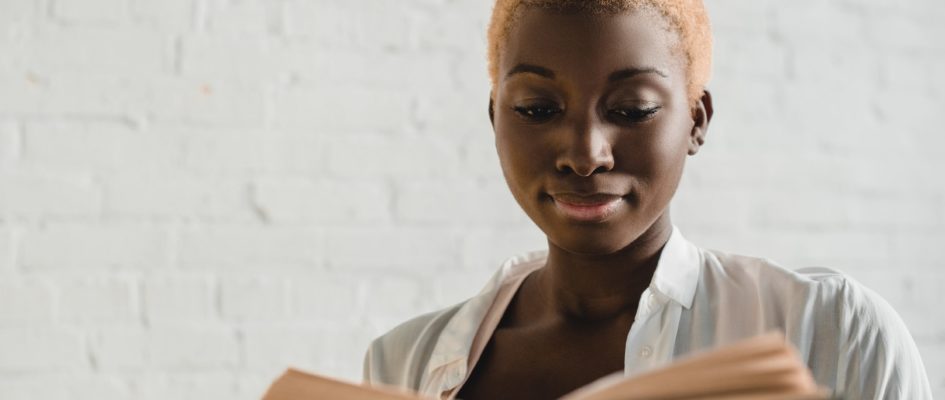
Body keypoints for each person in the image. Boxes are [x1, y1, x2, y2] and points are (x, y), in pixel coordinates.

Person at [362, 1, 933, 399]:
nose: (586, 155)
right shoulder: (403, 365)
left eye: (631, 110)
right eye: (537, 109)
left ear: (696, 121)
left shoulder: (829, 332)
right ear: (495, 119)